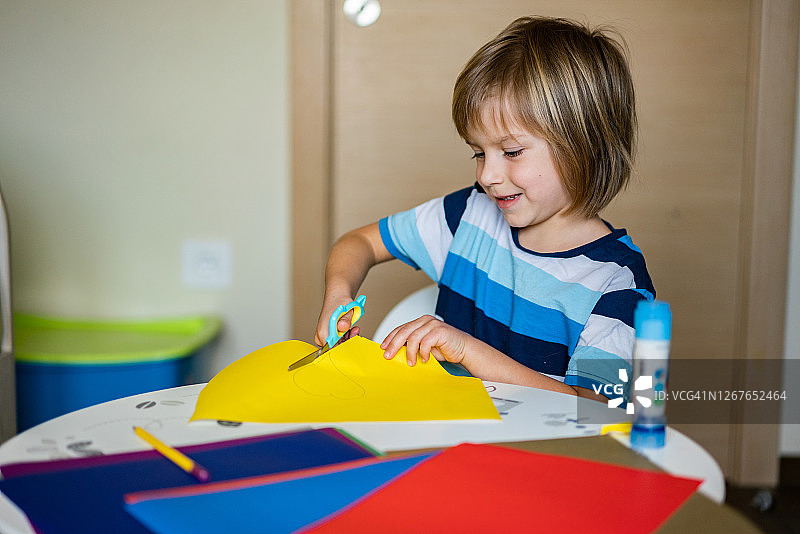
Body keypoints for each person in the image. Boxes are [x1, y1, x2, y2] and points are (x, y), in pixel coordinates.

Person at [314, 16, 654, 401]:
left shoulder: (616, 281)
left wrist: (467, 351)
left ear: (584, 146)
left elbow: (601, 409)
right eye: (479, 153)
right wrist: (339, 293)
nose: (488, 175)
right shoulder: (470, 216)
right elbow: (360, 242)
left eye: (510, 152)